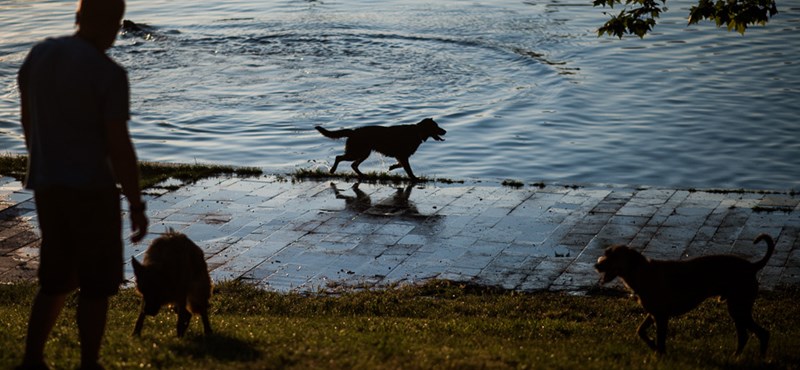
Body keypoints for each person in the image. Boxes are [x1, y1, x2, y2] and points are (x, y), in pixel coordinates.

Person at [16, 0, 148, 369]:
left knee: (55, 278)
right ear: (111, 22)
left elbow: (28, 123)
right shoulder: (108, 74)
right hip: (91, 191)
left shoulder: (39, 55)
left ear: (78, 16)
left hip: (48, 187)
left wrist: (46, 164)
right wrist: (136, 205)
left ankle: (32, 360)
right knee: (95, 282)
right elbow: (119, 146)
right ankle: (89, 363)